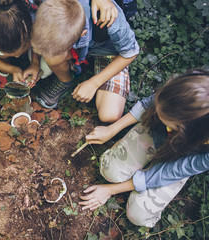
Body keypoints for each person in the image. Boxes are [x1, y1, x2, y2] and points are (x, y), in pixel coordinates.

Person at [78, 70, 209, 227]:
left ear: (187, 132)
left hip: (179, 159)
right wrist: (112, 129)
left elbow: (171, 171)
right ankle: (136, 152)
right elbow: (149, 104)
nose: (158, 115)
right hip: (156, 134)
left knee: (138, 216)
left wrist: (110, 190)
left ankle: (143, 164)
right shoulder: (192, 86)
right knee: (110, 170)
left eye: (166, 121)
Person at [31, 0, 139, 123]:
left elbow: (130, 53)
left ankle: (71, 60)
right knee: (52, 55)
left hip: (106, 50)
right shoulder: (49, 8)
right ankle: (64, 80)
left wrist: (94, 83)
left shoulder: (110, 20)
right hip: (71, 43)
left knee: (109, 114)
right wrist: (34, 62)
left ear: (82, 34)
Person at [0, 0, 118, 89]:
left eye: (24, 49)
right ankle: (2, 61)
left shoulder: (46, 12)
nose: (19, 56)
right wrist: (12, 68)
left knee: (47, 67)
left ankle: (66, 71)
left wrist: (36, 63)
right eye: (14, 55)